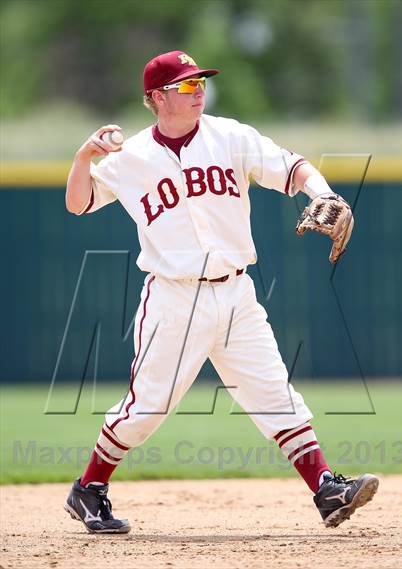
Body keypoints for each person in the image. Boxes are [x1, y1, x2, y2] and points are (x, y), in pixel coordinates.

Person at [64, 51, 378, 534]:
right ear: (156, 98)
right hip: (173, 299)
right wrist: (85, 156)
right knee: (145, 410)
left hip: (235, 292)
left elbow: (290, 167)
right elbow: (79, 203)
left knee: (274, 393)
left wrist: (324, 193)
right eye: (186, 86)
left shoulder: (230, 136)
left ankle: (326, 490)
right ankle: (89, 489)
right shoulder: (130, 158)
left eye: (200, 83)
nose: (199, 92)